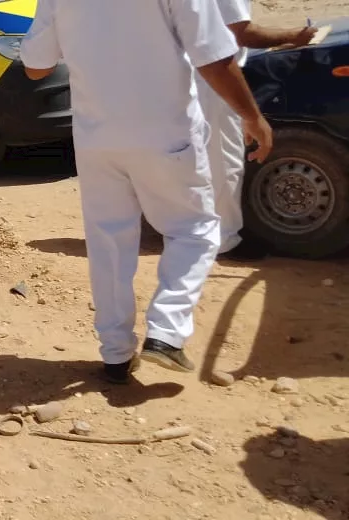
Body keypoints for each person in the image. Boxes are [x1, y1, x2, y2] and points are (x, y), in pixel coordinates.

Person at [19, 0, 274, 384]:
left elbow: (36, 66)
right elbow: (214, 57)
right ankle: (166, 333)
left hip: (97, 139)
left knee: (108, 242)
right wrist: (252, 116)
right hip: (166, 135)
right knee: (196, 230)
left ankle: (116, 353)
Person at [197, 2, 316, 261]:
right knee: (223, 161)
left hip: (187, 74)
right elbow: (241, 33)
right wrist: (293, 36)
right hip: (211, 79)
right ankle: (224, 240)